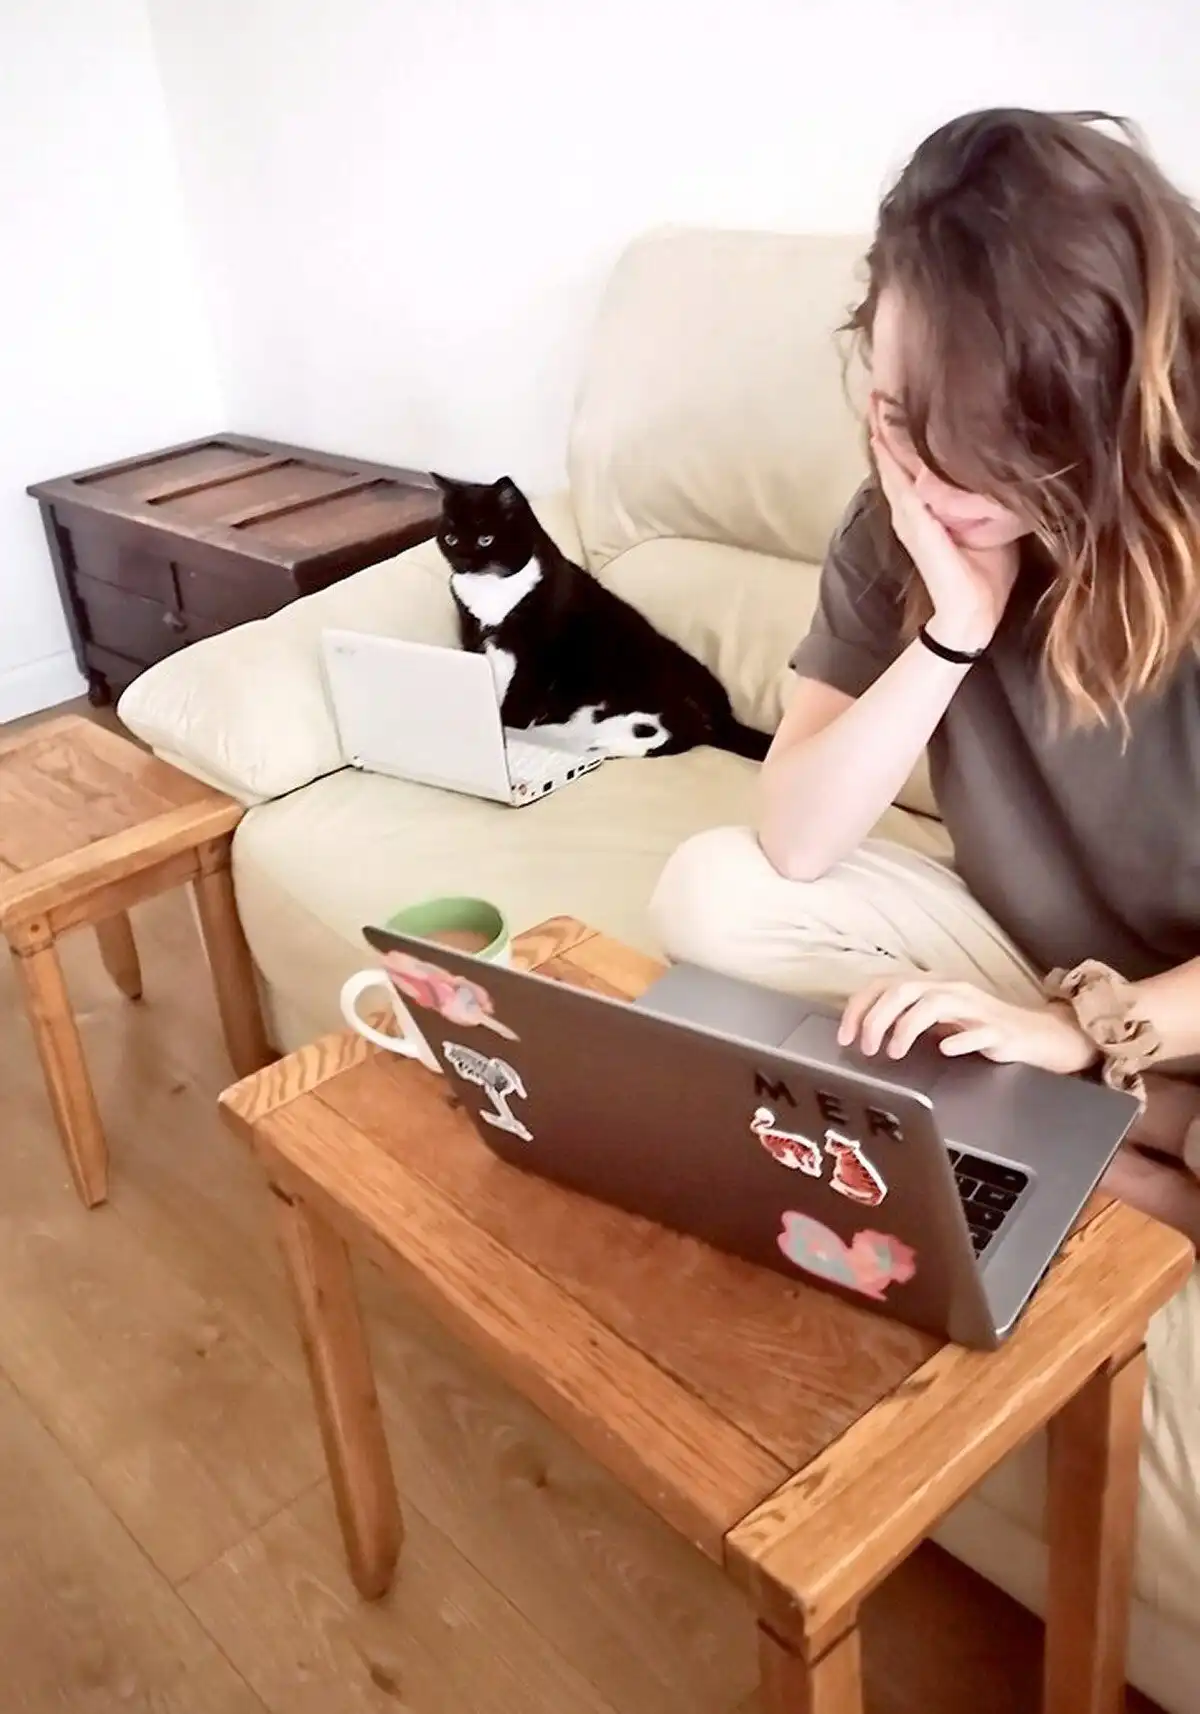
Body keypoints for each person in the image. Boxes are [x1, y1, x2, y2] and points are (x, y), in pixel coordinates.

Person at [650, 108, 1200, 1244]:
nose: (940, 487)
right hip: (1026, 972)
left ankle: (1104, 1133)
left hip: (1152, 1003)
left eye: (991, 445)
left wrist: (1088, 1031)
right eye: (906, 418)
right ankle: (1125, 1142)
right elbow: (798, 840)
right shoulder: (896, 528)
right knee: (713, 890)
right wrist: (956, 627)